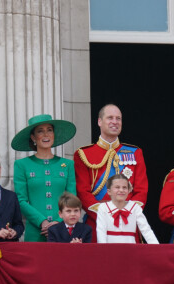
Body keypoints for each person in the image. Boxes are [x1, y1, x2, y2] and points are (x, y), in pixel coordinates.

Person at [74, 104, 148, 242]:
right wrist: (107, 215)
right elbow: (83, 192)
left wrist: (128, 214)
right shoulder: (83, 154)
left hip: (128, 223)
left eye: (118, 118)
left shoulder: (135, 153)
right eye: (110, 118)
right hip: (97, 223)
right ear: (99, 122)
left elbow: (141, 190)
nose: (115, 122)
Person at [11, 114, 77, 242]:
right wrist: (42, 222)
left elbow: (71, 198)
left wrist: (59, 221)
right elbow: (21, 200)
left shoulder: (67, 165)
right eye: (40, 131)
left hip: (63, 229)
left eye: (49, 130)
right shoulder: (21, 165)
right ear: (33, 137)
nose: (46, 135)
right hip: (35, 231)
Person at [96, 174, 158, 244]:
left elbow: (146, 230)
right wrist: (103, 250)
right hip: (110, 249)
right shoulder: (103, 208)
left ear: (128, 190)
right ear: (109, 191)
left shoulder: (135, 207)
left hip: (131, 250)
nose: (121, 190)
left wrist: (157, 248)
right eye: (117, 187)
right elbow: (101, 231)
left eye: (124, 187)